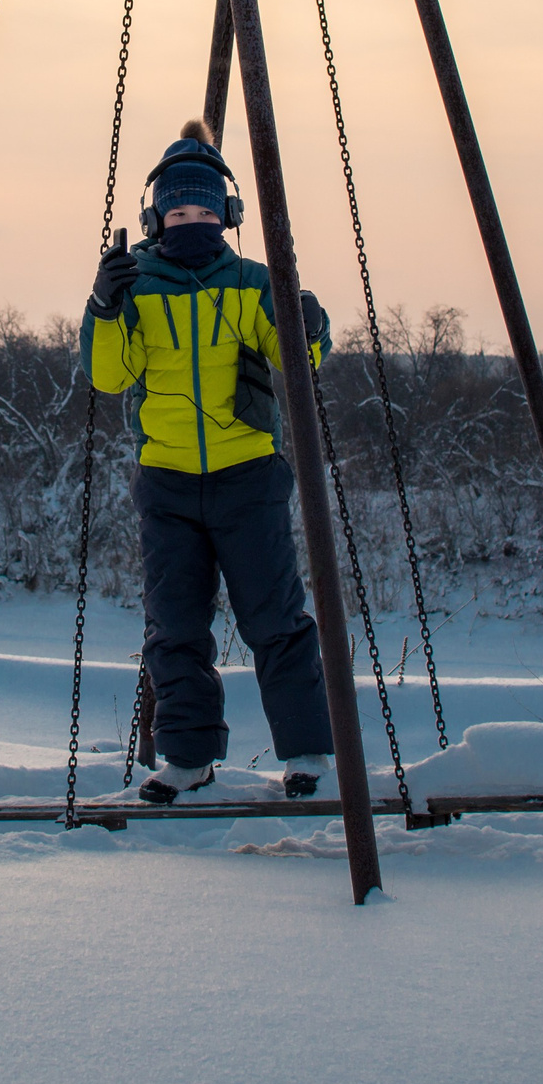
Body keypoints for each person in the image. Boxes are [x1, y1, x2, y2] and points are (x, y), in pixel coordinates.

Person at [81, 118, 336, 804]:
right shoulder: (138, 287)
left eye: (201, 210)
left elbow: (293, 358)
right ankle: (188, 758)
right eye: (176, 210)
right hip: (166, 485)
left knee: (274, 618)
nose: (188, 220)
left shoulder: (251, 283)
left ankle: (308, 753)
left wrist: (307, 325)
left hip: (246, 476)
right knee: (176, 626)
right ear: (156, 216)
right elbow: (110, 375)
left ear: (226, 215)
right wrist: (104, 306)